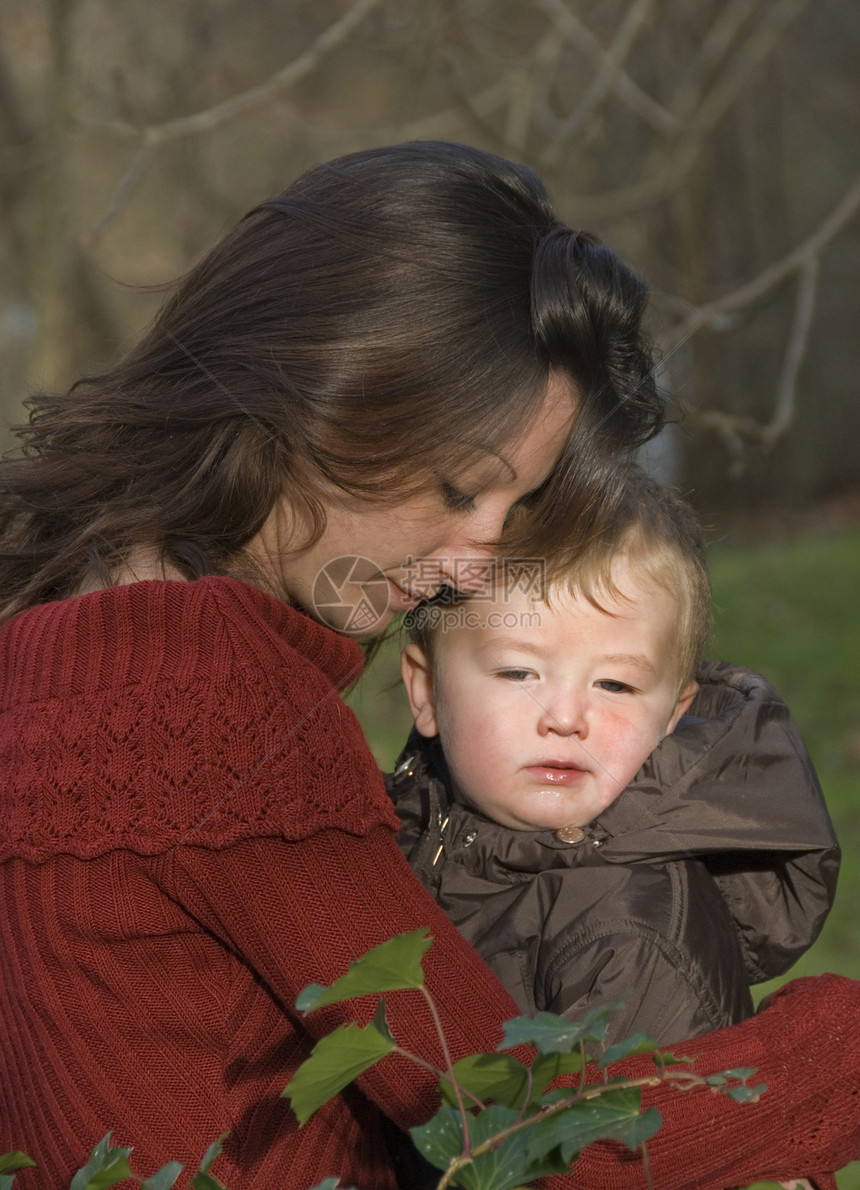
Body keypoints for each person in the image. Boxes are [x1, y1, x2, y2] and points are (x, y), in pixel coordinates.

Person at [0, 141, 857, 1190]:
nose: (469, 565)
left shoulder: (46, 641)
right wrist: (836, 1053)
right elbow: (522, 1142)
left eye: (510, 511)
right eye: (459, 489)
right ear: (325, 384)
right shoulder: (211, 689)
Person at [389, 467, 839, 1047]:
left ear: (672, 716)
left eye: (616, 685)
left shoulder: (631, 934)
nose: (566, 717)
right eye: (519, 672)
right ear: (426, 693)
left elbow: (621, 1135)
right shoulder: (396, 822)